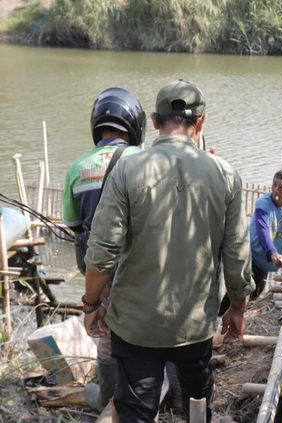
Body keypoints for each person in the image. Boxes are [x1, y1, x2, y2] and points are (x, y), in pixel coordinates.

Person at [81, 79, 254, 423]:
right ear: (201, 123)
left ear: (155, 120)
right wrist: (237, 307)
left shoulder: (128, 169)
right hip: (195, 324)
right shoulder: (225, 175)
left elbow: (101, 252)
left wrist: (92, 303)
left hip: (136, 326)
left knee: (136, 411)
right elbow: (237, 254)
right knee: (196, 404)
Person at [63, 87, 146, 411]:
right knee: (156, 329)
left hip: (101, 273)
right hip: (143, 266)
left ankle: (107, 398)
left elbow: (73, 226)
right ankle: (172, 397)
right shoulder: (145, 158)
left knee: (106, 334)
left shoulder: (76, 167)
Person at [218, 168, 282, 315]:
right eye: (274, 185)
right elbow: (263, 232)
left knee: (257, 291)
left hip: (268, 258)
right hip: (253, 252)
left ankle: (242, 319)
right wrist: (273, 253)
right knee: (241, 289)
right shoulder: (263, 204)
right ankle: (220, 316)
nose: (276, 190)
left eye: (281, 187)